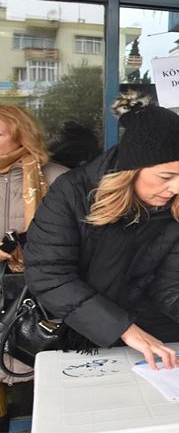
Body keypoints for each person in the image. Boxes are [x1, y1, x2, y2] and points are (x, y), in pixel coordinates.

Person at [24, 94, 179, 370]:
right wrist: (124, 329)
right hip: (82, 331)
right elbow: (49, 275)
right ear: (131, 170)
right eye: (166, 177)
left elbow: (173, 284)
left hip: (161, 333)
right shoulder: (72, 192)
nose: (176, 188)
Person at [0, 105, 68, 425]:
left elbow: (82, 241)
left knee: (42, 390)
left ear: (23, 135)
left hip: (38, 299)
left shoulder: (56, 177)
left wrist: (31, 248)